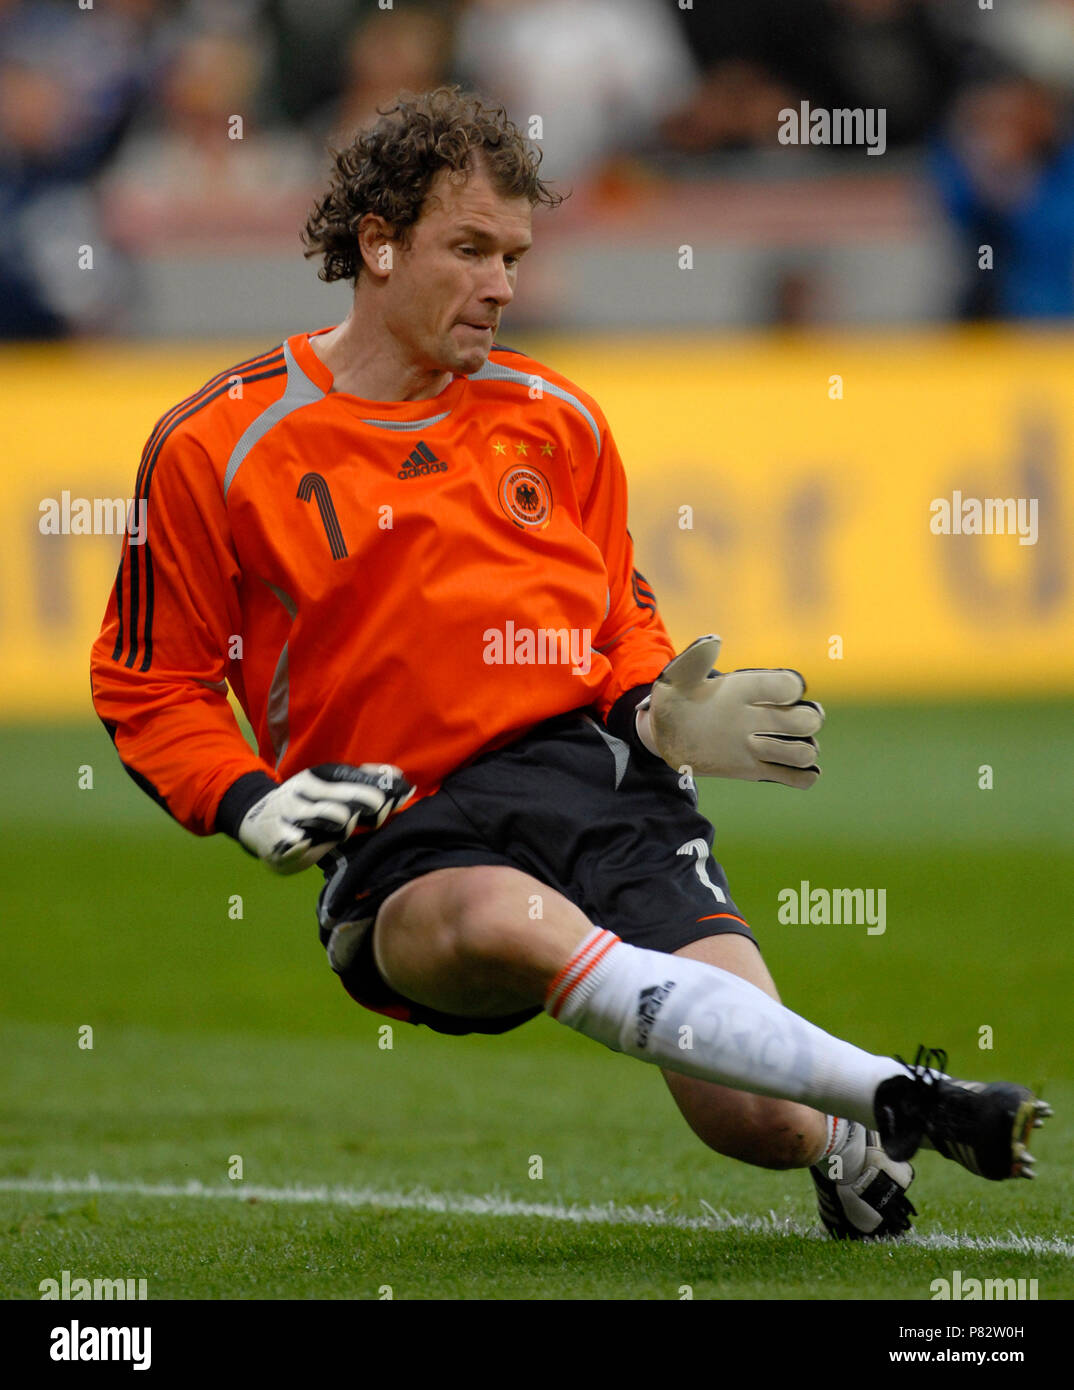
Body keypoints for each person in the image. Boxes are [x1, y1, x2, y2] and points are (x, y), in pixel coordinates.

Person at [90, 87, 1050, 1241]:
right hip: (405, 829)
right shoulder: (218, 444)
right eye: (471, 250)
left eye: (516, 253)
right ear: (376, 245)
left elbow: (617, 615)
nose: (503, 284)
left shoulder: (561, 420)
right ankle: (906, 1094)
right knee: (501, 921)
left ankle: (838, 1129)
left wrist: (656, 707)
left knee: (757, 1120)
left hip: (594, 781)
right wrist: (248, 800)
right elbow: (152, 682)